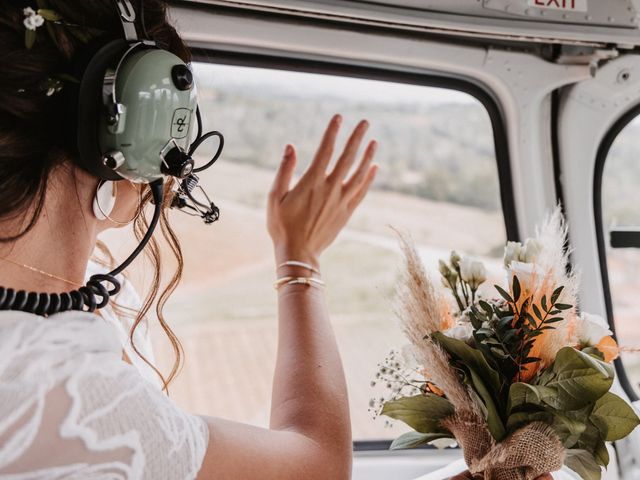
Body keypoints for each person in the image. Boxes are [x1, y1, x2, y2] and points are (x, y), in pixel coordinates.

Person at [0, 1, 378, 478]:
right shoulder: (83, 404)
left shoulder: (81, 301)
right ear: (131, 125)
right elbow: (319, 465)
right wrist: (299, 256)